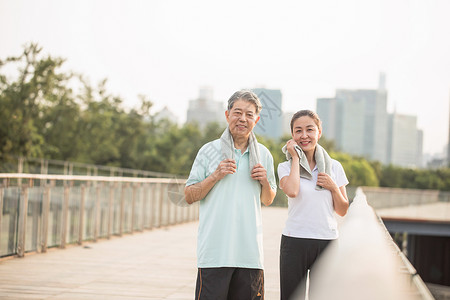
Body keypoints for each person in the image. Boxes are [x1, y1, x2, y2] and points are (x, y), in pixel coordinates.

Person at [184, 89, 277, 300]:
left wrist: (264, 180)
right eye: (237, 112)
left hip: (250, 256)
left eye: (249, 114)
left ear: (257, 119)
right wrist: (215, 175)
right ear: (227, 115)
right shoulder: (209, 151)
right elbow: (189, 195)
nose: (242, 118)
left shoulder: (263, 155)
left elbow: (268, 199)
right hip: (214, 255)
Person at [277, 110, 349, 300]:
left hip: (327, 241)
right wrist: (295, 158)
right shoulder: (284, 167)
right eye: (298, 131)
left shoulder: (334, 167)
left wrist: (333, 187)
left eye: (310, 129)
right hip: (294, 241)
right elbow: (292, 190)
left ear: (319, 131)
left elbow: (342, 210)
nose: (304, 136)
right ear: (292, 135)